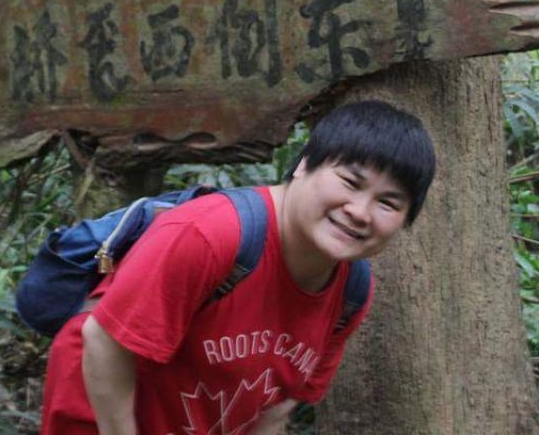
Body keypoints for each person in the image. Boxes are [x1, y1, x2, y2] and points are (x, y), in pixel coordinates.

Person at [41, 100, 436, 434]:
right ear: (304, 165)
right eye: (350, 182)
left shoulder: (352, 289)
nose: (360, 212)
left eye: (388, 202)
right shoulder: (210, 234)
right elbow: (104, 342)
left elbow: (277, 406)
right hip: (102, 414)